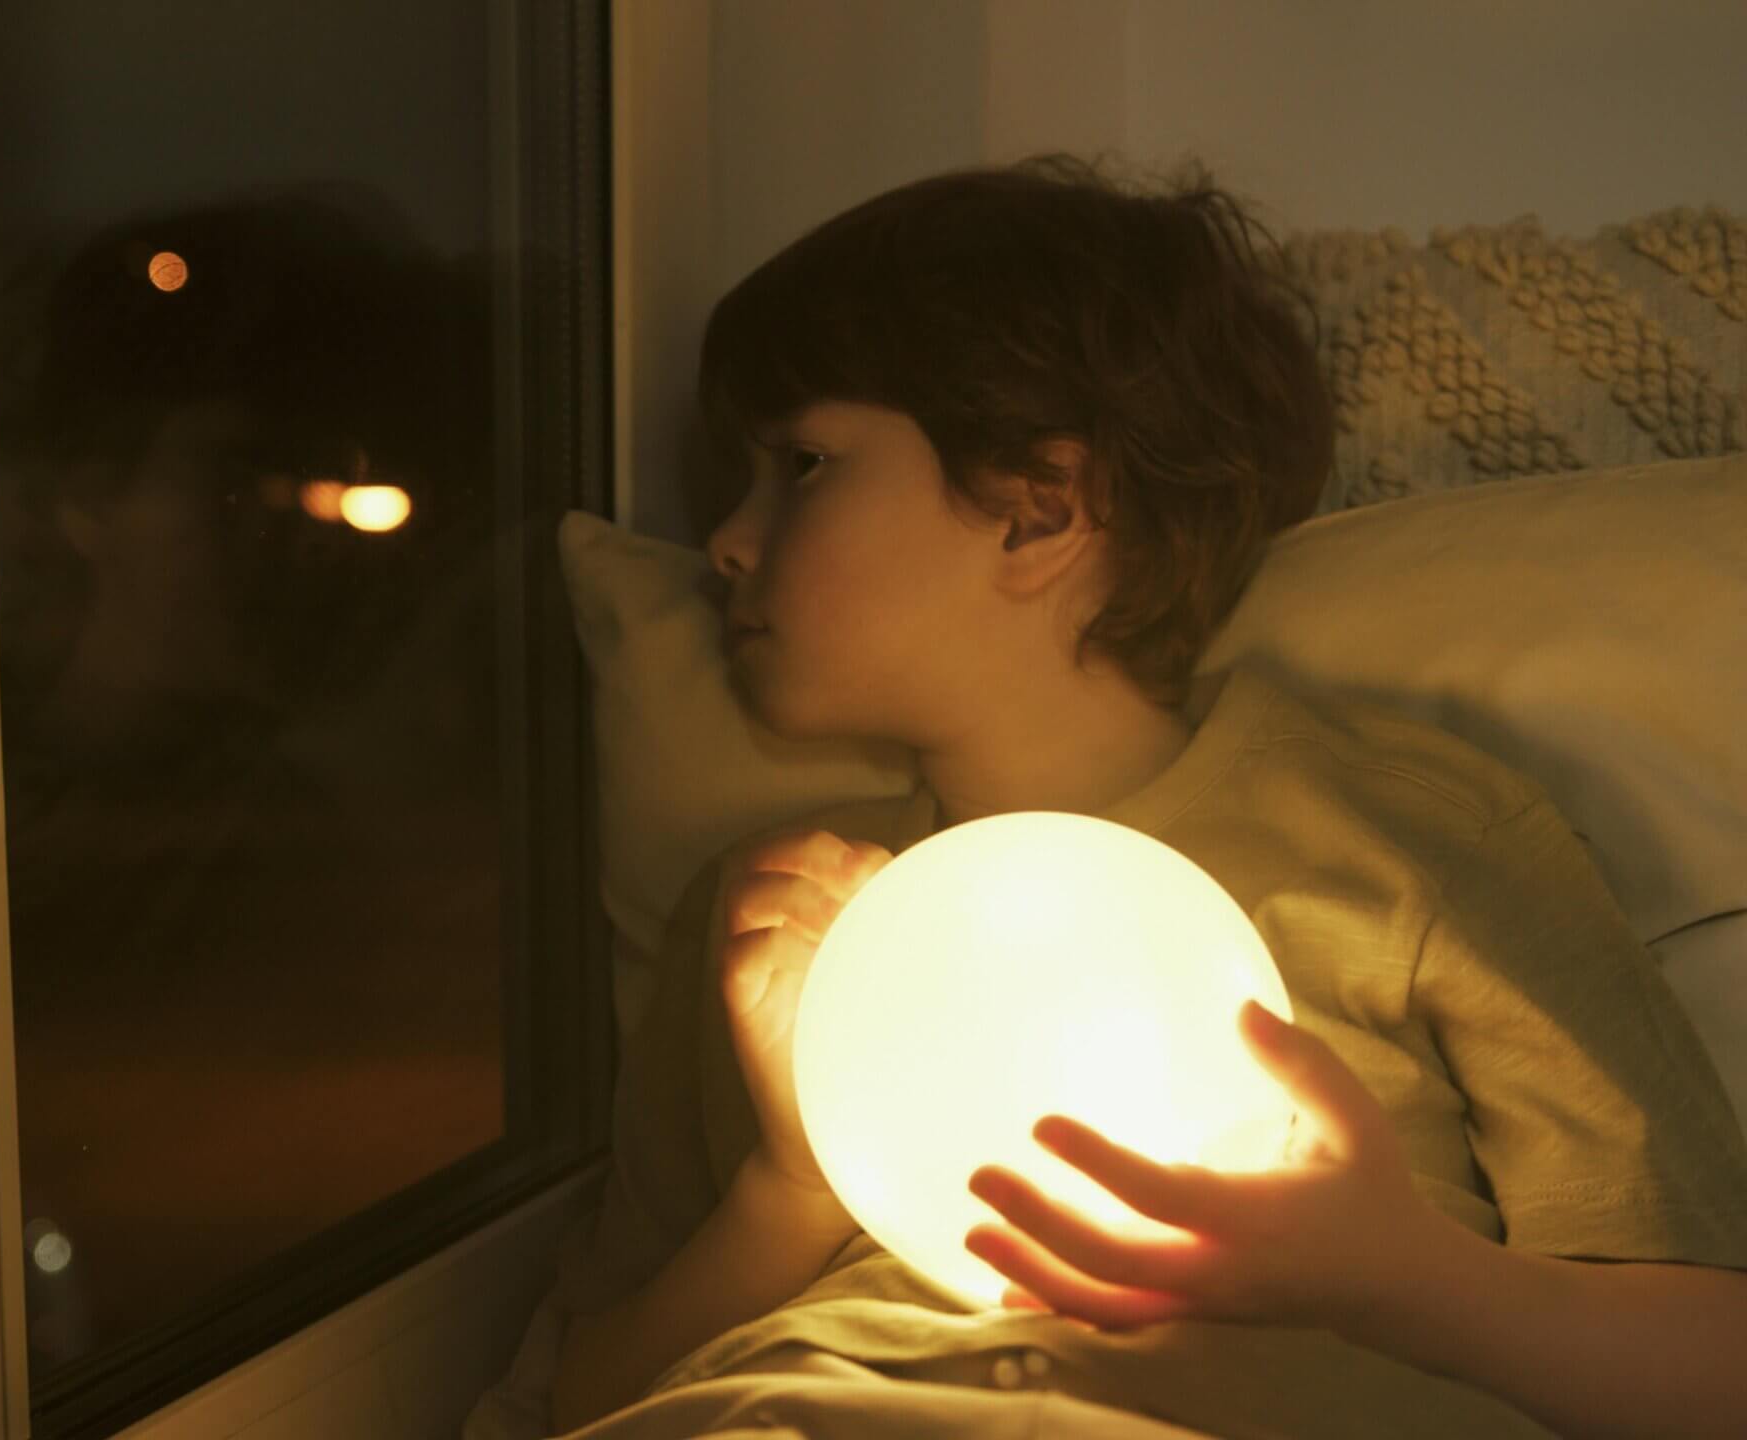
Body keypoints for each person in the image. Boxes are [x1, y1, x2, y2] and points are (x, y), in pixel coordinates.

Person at [522, 156, 1747, 1439]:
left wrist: (1401, 1278)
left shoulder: (1408, 838)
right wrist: (788, 1185)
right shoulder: (773, 937)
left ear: (1040, 506)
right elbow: (585, 1402)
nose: (726, 537)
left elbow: (1713, 1373)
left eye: (804, 463)